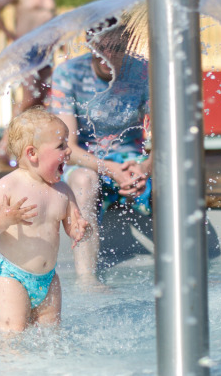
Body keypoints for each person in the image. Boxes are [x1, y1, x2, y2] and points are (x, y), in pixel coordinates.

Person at [49, 23, 152, 284]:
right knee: (84, 181)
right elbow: (67, 148)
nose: (107, 55)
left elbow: (166, 138)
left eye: (115, 48)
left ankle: (188, 269)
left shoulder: (142, 72)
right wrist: (110, 169)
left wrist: (145, 168)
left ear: (127, 44)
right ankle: (87, 279)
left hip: (132, 160)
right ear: (89, 43)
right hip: (86, 161)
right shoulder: (69, 73)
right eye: (100, 47)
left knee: (171, 174)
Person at [0, 107, 89, 332]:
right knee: (14, 332)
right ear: (32, 154)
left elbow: (72, 227)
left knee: (51, 334)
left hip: (47, 278)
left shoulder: (63, 191)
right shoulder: (9, 186)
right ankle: (8, 363)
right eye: (61, 146)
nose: (68, 152)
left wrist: (79, 229)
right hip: (11, 274)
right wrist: (4, 219)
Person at [0, 0, 56, 163]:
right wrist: (9, 33)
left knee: (42, 98)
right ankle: (4, 144)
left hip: (47, 51)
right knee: (28, 98)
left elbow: (52, 22)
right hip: (27, 50)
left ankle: (28, 148)